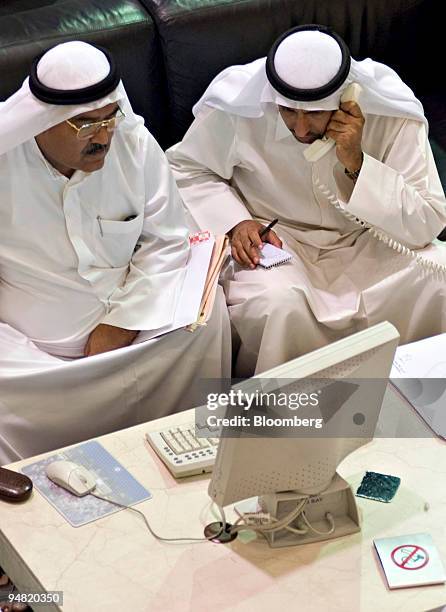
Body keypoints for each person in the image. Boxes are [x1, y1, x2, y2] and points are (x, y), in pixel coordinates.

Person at [167, 24, 446, 377]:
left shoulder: (391, 111)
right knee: (278, 305)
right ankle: (282, 420)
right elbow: (186, 169)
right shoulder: (239, 107)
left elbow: (428, 220)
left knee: (439, 277)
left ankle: (415, 410)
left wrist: (357, 164)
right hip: (281, 243)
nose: (300, 130)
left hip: (370, 239)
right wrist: (236, 221)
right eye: (287, 111)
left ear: (349, 99)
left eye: (314, 113)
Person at [0, 41, 231, 464]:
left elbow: (166, 238)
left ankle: (189, 457)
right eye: (86, 125)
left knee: (208, 318)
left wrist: (121, 323)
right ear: (42, 121)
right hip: (34, 354)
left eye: (110, 118)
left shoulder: (133, 144)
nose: (105, 137)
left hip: (134, 324)